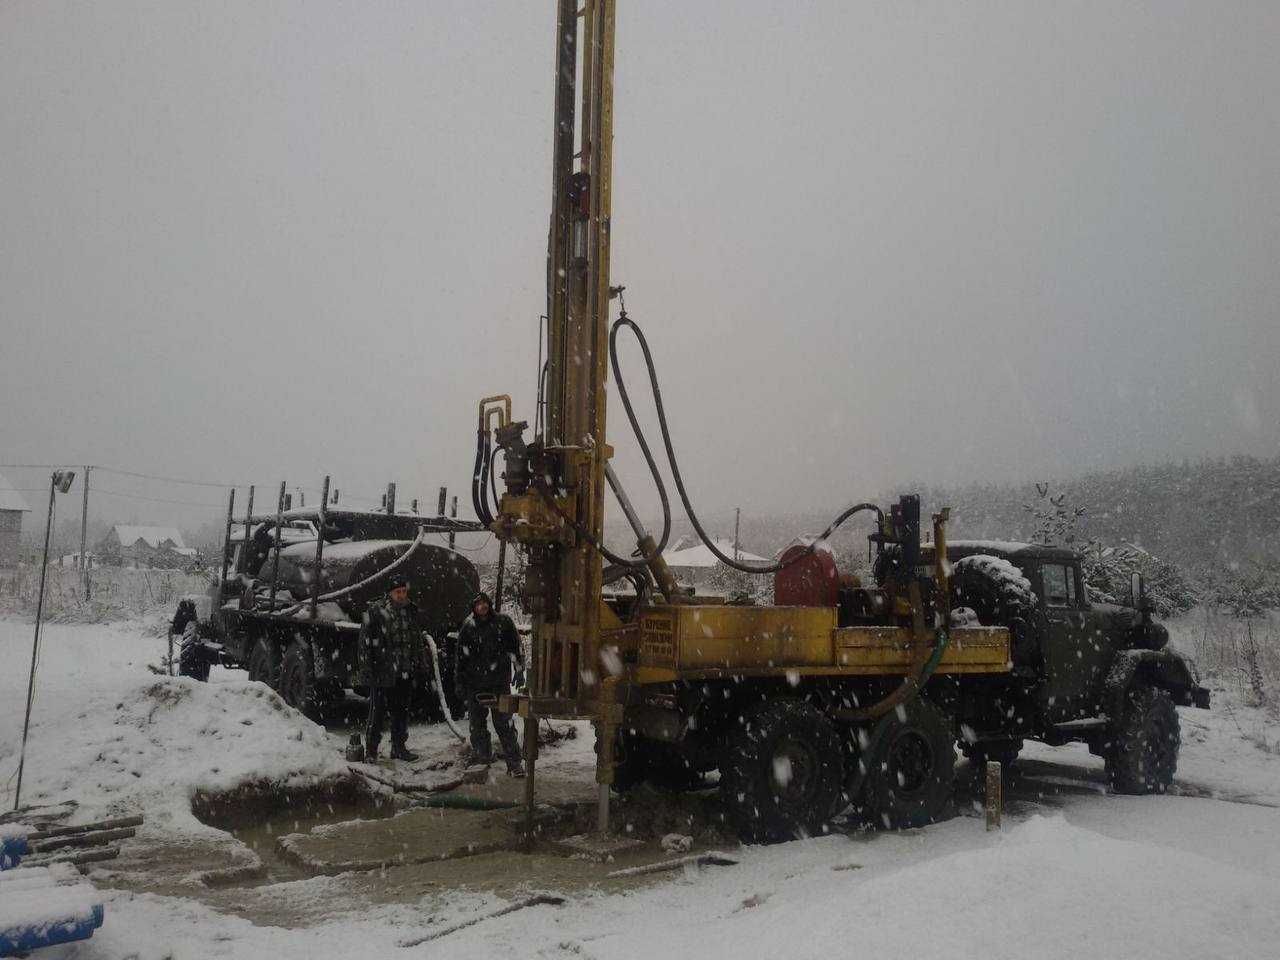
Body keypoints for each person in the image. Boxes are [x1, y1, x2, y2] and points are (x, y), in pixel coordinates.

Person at [454, 591, 524, 776]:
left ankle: (514, 764)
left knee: (504, 724)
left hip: (499, 682)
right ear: (474, 608)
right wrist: (460, 682)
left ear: (489, 604)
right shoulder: (468, 627)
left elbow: (515, 647)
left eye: (485, 603)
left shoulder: (503, 623)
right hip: (475, 684)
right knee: (477, 726)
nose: (482, 607)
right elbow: (461, 658)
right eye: (478, 604)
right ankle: (482, 759)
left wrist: (518, 668)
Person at [358, 574, 427, 762]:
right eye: (398, 592)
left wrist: (420, 663)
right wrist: (367, 670)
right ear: (390, 593)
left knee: (401, 711)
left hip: (404, 670)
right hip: (382, 671)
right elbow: (365, 643)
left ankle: (398, 747)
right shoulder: (376, 611)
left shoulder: (410, 611)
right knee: (377, 712)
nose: (402, 595)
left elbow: (416, 639)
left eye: (404, 591)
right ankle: (371, 750)